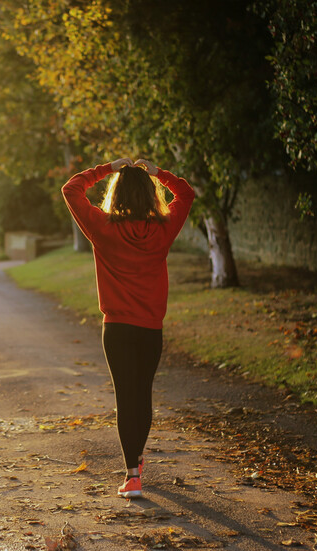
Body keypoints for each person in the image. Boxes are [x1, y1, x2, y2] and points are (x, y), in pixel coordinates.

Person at [61, 157, 195, 499]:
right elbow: (187, 193)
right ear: (151, 195)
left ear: (116, 194)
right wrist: (159, 174)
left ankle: (132, 475)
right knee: (143, 394)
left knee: (126, 397)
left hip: (117, 329)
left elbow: (71, 189)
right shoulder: (164, 228)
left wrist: (107, 168)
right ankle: (136, 459)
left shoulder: (102, 227)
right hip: (150, 328)